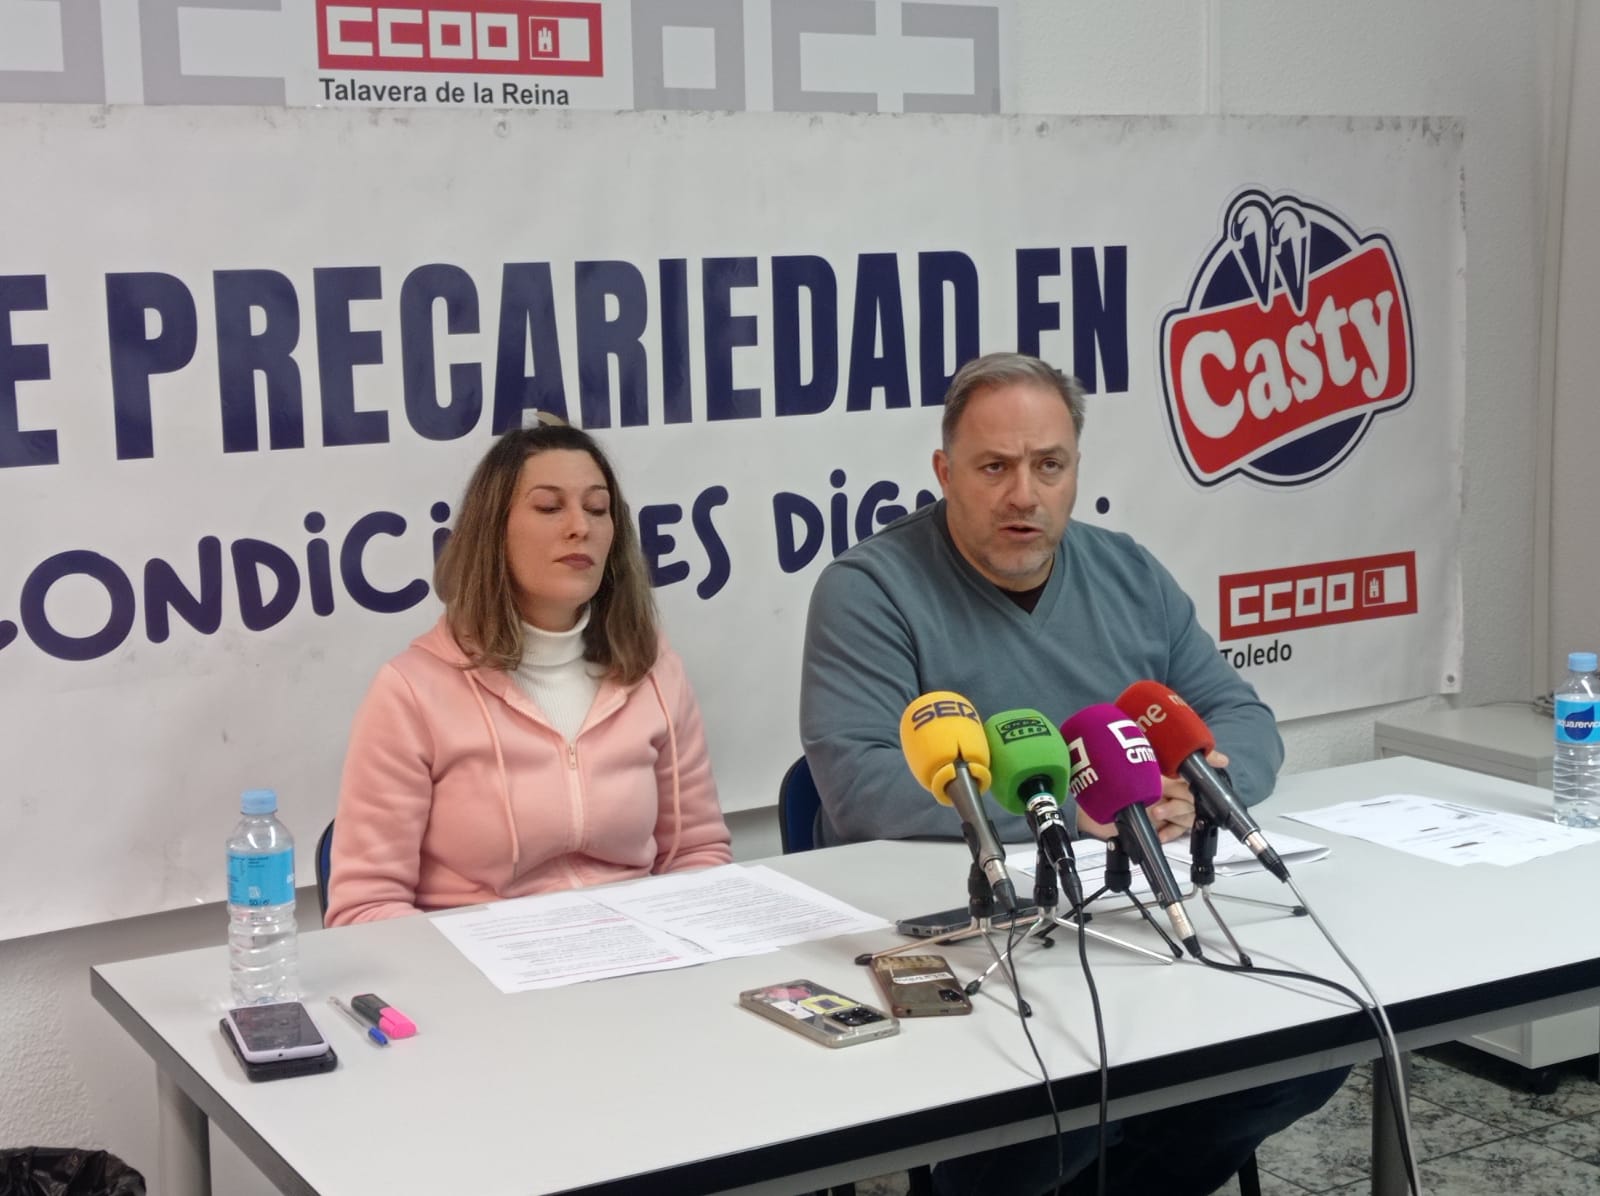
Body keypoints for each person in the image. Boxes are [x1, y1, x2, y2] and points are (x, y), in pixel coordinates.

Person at [799, 352, 1345, 1196]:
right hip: (984, 941)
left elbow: (1241, 723)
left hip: (1143, 921)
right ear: (946, 472)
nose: (1025, 494)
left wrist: (1192, 789)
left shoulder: (1129, 573)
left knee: (1306, 1056)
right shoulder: (870, 590)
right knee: (1063, 1106)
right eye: (994, 467)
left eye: (1048, 465)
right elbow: (858, 783)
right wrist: (1064, 816)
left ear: (1075, 470)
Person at [326, 420, 731, 926]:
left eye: (597, 508)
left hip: (638, 961)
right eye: (548, 507)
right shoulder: (411, 691)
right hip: (480, 973)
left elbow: (698, 852)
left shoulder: (654, 669)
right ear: (493, 531)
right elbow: (365, 906)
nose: (579, 526)